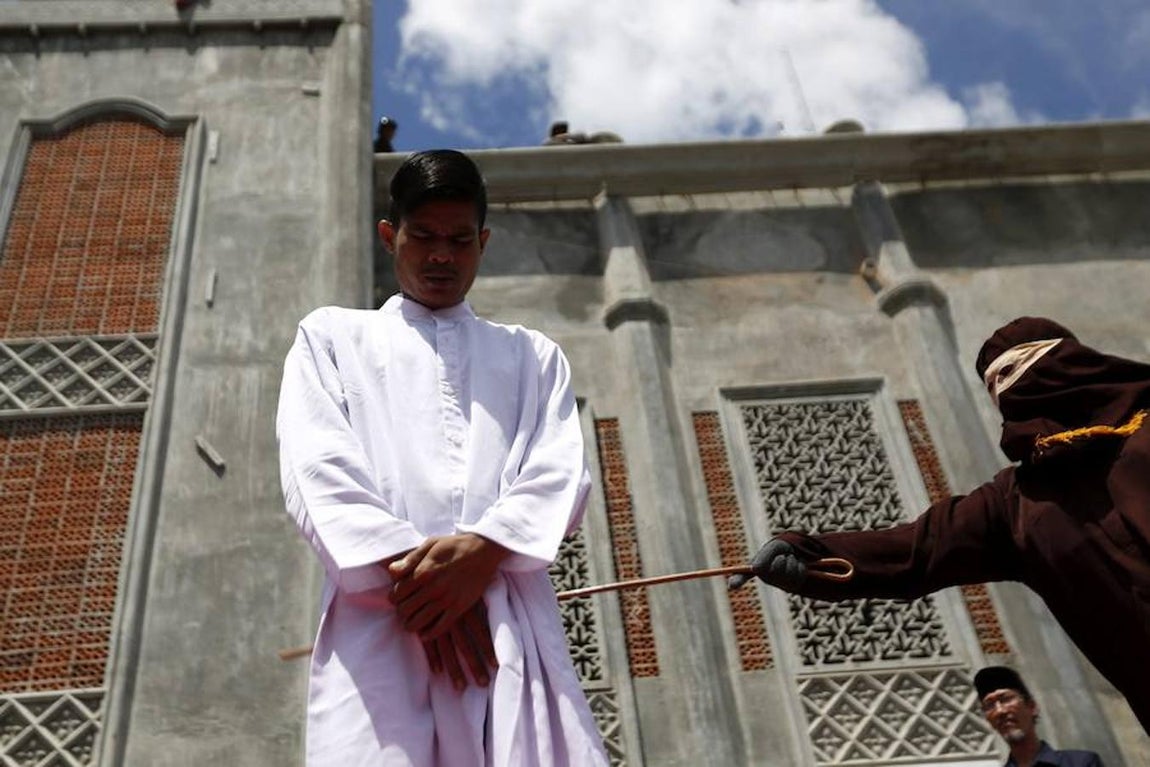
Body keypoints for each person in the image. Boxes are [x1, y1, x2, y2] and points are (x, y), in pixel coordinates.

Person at [276, 149, 608, 766]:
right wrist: (429, 590)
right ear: (388, 235)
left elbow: (561, 472)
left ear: (483, 243)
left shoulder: (532, 357)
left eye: (459, 240)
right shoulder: (330, 339)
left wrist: (483, 554)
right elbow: (318, 470)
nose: (440, 256)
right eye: (423, 235)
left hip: (505, 627)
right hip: (380, 621)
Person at [731, 316, 1150, 734]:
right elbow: (916, 549)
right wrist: (806, 555)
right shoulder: (1016, 505)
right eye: (992, 387)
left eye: (1009, 372)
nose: (1004, 394)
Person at [975, 666, 1104, 766]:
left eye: (1006, 699)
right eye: (989, 705)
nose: (1000, 711)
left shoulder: (1080, 763)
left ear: (1032, 707)